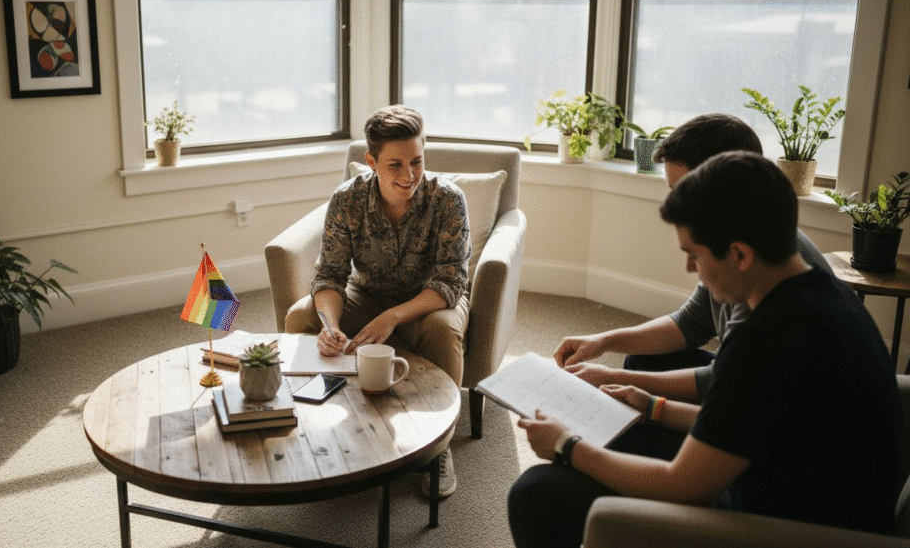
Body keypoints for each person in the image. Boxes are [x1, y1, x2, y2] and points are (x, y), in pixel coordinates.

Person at [508, 151, 902, 547]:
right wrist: (652, 407)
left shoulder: (765, 341)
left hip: (785, 528)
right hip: (800, 485)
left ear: (741, 255)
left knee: (538, 494)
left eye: (694, 255)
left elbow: (681, 486)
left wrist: (565, 445)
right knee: (620, 430)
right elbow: (758, 424)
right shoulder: (826, 293)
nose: (689, 270)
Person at [556, 114, 831, 409]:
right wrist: (603, 341)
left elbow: (726, 382)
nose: (674, 204)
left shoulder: (755, 268)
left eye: (683, 190)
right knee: (641, 363)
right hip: (749, 384)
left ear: (720, 182)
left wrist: (620, 381)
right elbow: (692, 323)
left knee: (628, 421)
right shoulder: (737, 237)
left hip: (775, 411)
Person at [285, 104, 470, 497]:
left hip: (430, 300)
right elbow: (330, 276)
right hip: (364, 293)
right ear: (371, 161)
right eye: (395, 165)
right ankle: (310, 419)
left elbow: (450, 281)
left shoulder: (448, 199)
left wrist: (393, 316)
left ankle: (439, 446)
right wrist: (329, 325)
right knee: (300, 317)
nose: (409, 176)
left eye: (417, 162)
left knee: (442, 330)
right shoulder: (346, 200)